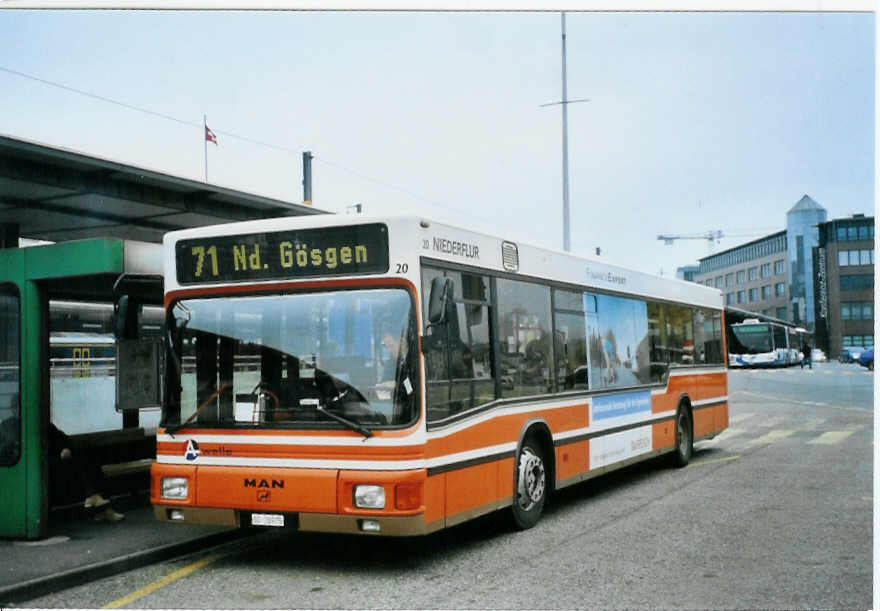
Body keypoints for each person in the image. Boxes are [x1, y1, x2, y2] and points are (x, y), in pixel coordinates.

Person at [49, 422, 124, 522]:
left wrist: (65, 448)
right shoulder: (34, 429)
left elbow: (63, 438)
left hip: (59, 461)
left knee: (91, 464)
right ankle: (98, 503)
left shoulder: (47, 426)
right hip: (46, 465)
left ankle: (96, 501)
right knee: (80, 466)